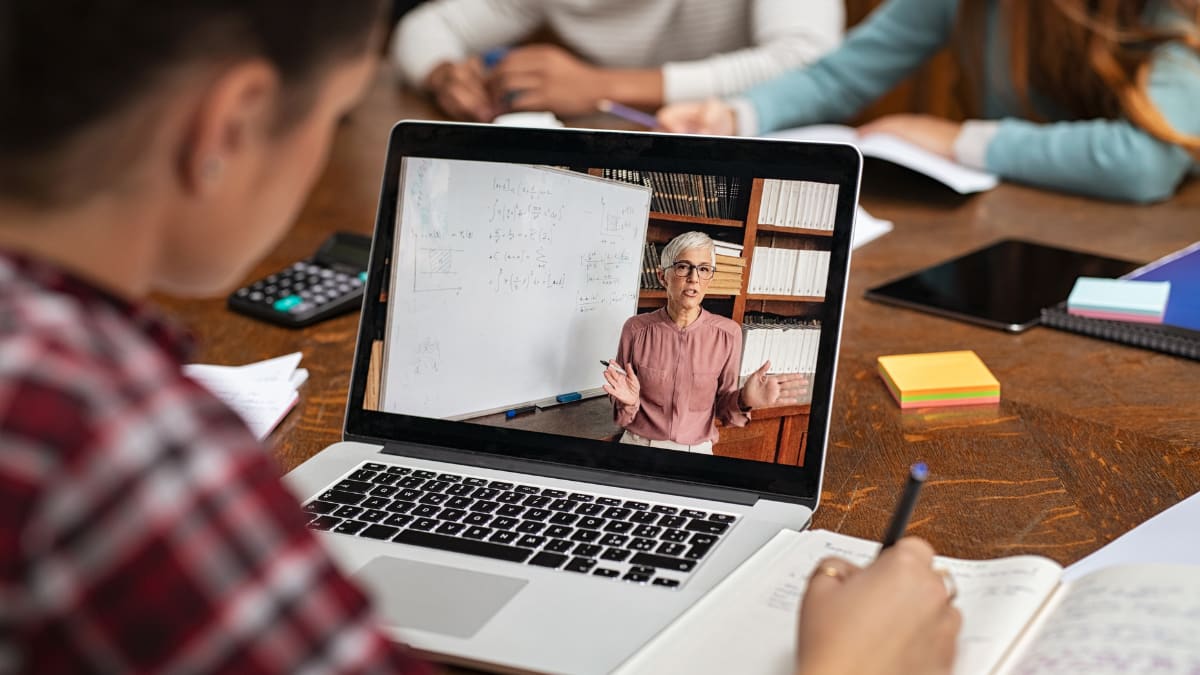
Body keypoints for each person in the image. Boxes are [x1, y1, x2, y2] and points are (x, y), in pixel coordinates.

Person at [0, 2, 957, 673]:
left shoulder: (62, 382)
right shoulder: (125, 451)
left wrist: (751, 399)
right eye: (337, 119)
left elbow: (730, 407)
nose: (691, 280)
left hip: (690, 473)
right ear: (229, 124)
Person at [657, 0, 1200, 204]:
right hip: (1005, 221)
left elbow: (1146, 163)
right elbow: (842, 74)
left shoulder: (1161, 12)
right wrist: (736, 114)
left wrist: (959, 138)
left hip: (1128, 256)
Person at [390, 0, 844, 121]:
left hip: (754, 146)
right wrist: (443, 73)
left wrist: (601, 85)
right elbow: (425, 27)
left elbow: (810, 62)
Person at [604, 231, 807, 454]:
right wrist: (628, 402)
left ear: (710, 278)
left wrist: (744, 399)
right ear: (663, 277)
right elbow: (621, 415)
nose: (694, 278)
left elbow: (724, 409)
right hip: (639, 444)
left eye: (703, 269)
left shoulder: (728, 334)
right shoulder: (635, 329)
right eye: (683, 267)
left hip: (697, 451)